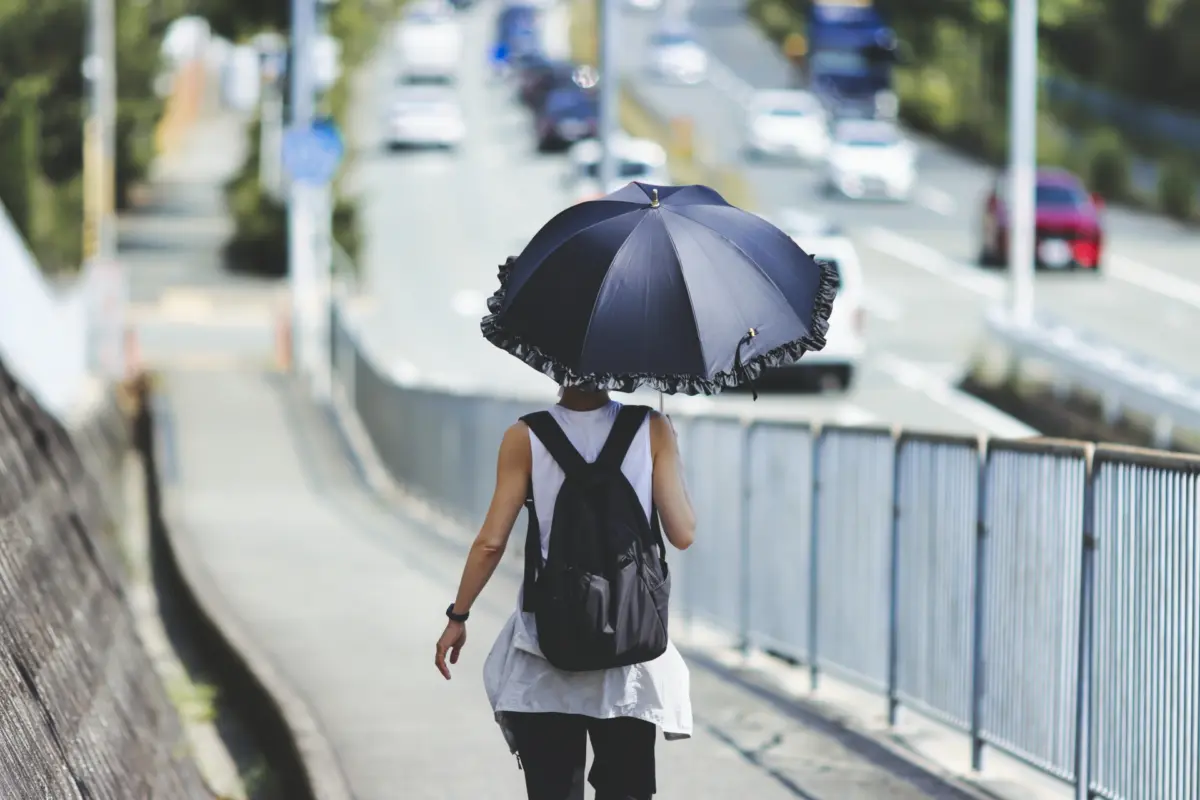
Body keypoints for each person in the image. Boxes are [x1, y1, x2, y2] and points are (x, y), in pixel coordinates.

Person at [434, 383, 697, 800]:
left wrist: (458, 616)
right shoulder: (652, 427)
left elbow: (490, 543)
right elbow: (682, 534)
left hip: (549, 650)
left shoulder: (525, 436)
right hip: (629, 652)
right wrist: (671, 456)